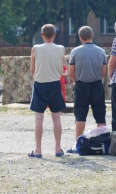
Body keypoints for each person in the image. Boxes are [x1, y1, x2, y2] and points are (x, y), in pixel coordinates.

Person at [67, 26, 107, 154]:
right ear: (92, 36)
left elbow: (71, 71)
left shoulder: (75, 52)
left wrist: (76, 80)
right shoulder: (101, 51)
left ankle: (78, 144)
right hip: (96, 85)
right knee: (100, 116)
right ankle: (102, 143)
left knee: (80, 116)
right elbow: (104, 72)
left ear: (80, 37)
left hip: (81, 85)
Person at [29, 24, 66, 158]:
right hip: (55, 84)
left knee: (39, 117)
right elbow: (62, 67)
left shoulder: (36, 49)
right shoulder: (61, 48)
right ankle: (57, 148)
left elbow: (32, 70)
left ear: (42, 35)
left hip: (40, 84)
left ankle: (38, 149)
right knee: (56, 117)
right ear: (54, 35)